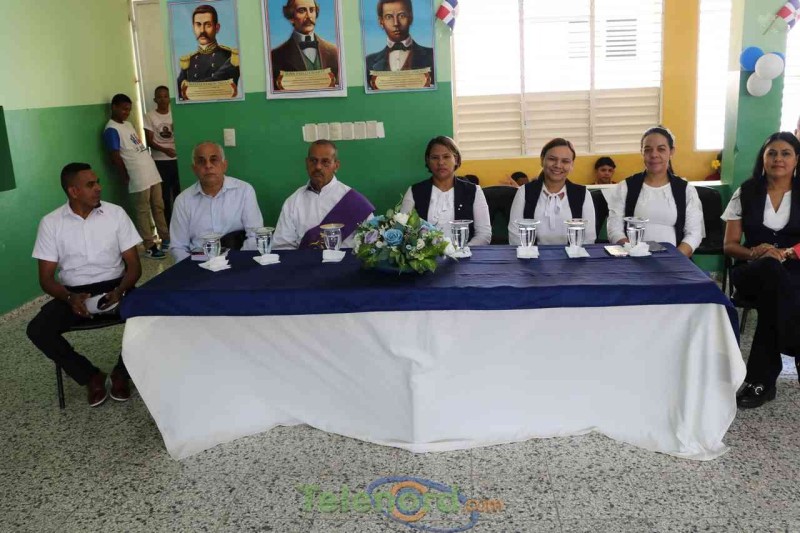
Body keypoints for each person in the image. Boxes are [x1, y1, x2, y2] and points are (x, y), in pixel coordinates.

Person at [27, 163, 142, 407]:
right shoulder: (51, 223)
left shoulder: (116, 214)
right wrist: (70, 298)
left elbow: (134, 266)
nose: (98, 188)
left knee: (152, 314)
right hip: (73, 294)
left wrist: (120, 290)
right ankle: (90, 376)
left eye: (97, 182)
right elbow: (46, 279)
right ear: (73, 191)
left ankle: (122, 373)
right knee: (38, 330)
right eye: (91, 184)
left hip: (116, 286)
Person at [722, 131, 800, 408]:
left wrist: (786, 253)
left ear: (797, 159)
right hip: (752, 269)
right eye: (772, 153)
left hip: (794, 270)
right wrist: (755, 252)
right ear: (763, 159)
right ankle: (795, 343)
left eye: (786, 153)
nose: (778, 158)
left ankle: (761, 381)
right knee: (770, 270)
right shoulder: (745, 192)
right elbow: (730, 245)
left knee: (773, 299)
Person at [605, 126, 704, 257]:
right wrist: (634, 253)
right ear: (642, 152)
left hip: (674, 261)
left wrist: (675, 259)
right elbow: (614, 229)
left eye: (661, 149)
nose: (654, 155)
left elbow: (694, 234)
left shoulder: (686, 190)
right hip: (633, 260)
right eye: (648, 150)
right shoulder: (625, 188)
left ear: (671, 151)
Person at [169, 142, 264, 262]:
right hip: (198, 262)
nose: (208, 165)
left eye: (214, 160)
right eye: (201, 161)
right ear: (194, 169)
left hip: (238, 259)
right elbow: (178, 247)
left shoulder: (244, 191)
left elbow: (255, 235)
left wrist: (237, 260)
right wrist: (195, 265)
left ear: (224, 165)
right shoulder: (183, 201)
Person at [273, 140, 374, 249]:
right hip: (304, 260)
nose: (318, 167)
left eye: (325, 161)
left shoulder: (355, 202)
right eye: (313, 161)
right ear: (307, 163)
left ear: (336, 166)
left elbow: (371, 244)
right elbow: (282, 247)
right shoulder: (292, 202)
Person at [103, 93, 169, 259]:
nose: (126, 112)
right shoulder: (111, 129)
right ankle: (149, 245)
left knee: (158, 206)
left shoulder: (128, 124)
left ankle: (166, 238)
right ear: (114, 107)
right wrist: (124, 175)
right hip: (137, 174)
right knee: (143, 210)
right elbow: (115, 156)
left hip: (150, 171)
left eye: (129, 110)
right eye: (123, 109)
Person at [400, 136, 491, 246]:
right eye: (435, 158)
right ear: (428, 161)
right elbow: (403, 229)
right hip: (425, 255)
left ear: (456, 159)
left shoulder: (473, 191)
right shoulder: (414, 191)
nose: (441, 162)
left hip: (465, 254)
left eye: (446, 157)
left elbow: (484, 235)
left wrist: (462, 251)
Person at [507, 138, 596, 246]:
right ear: (542, 160)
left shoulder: (583, 194)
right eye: (552, 159)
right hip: (532, 255)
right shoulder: (524, 192)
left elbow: (589, 237)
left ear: (571, 165)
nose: (558, 165)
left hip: (572, 255)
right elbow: (515, 236)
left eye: (565, 161)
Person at [270, 0, 340, 90]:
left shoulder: (334, 52)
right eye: (302, 11)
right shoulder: (276, 56)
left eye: (312, 10)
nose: (309, 16)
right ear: (291, 17)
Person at [177, 4, 240, 100]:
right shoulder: (189, 60)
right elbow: (179, 92)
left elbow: (217, 80)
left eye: (208, 25)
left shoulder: (231, 57)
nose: (202, 30)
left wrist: (189, 87)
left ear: (217, 28)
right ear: (193, 27)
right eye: (198, 25)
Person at [365, 0, 435, 83]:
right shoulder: (369, 62)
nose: (396, 23)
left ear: (411, 18)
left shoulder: (431, 55)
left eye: (402, 16)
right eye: (389, 17)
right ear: (381, 21)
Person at [144, 86, 180, 226]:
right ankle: (168, 225)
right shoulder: (149, 116)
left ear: (170, 98)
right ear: (155, 99)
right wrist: (165, 150)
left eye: (166, 96)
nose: (163, 99)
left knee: (178, 194)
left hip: (177, 160)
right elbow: (149, 141)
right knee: (163, 196)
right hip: (160, 161)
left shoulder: (176, 113)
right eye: (159, 97)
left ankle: (180, 224)